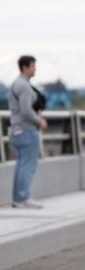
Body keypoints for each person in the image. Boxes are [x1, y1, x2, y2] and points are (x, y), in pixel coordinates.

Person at [9, 55, 47, 209]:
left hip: (17, 130)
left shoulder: (17, 84)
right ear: (25, 67)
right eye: (33, 66)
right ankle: (24, 197)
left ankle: (18, 199)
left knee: (21, 165)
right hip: (26, 130)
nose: (35, 69)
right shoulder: (23, 85)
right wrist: (40, 121)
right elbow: (26, 110)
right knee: (28, 165)